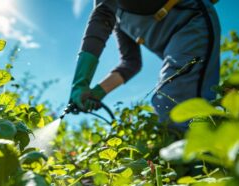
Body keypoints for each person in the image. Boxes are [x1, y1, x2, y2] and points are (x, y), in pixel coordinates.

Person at [69, 0, 220, 131]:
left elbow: (102, 16)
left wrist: (80, 81)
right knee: (169, 114)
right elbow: (131, 63)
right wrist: (97, 93)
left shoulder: (108, 9)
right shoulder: (120, 19)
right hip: (176, 50)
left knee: (171, 108)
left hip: (193, 22)